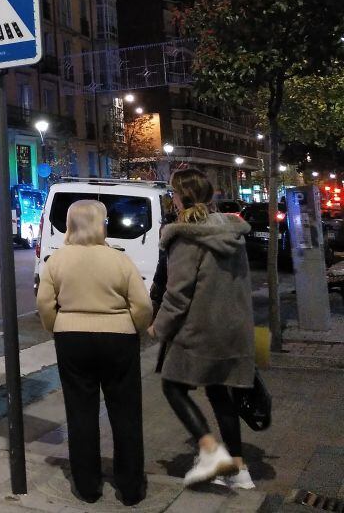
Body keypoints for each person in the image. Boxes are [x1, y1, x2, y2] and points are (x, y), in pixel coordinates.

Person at [36, 199, 153, 506]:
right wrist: (135, 328)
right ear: (101, 224)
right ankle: (130, 487)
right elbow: (142, 305)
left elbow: (44, 304)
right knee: (126, 413)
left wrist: (56, 326)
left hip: (72, 339)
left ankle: (88, 486)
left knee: (80, 413)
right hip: (118, 340)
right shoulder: (119, 260)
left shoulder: (57, 260)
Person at [151, 168, 256, 489]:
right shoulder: (230, 232)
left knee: (172, 386)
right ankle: (239, 470)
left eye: (174, 193)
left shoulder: (187, 236)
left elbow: (178, 293)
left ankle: (210, 450)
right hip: (234, 327)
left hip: (201, 330)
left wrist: (160, 326)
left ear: (181, 196)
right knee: (219, 392)